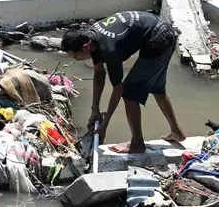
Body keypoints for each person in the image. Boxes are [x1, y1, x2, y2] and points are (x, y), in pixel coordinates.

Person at [61, 11, 185, 154]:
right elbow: (99, 73)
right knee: (157, 88)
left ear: (85, 47)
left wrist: (105, 124)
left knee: (129, 93)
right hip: (161, 32)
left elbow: (118, 89)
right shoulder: (92, 38)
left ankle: (137, 143)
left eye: (77, 57)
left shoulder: (109, 49)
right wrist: (94, 109)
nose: (77, 60)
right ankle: (176, 131)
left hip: (158, 38)